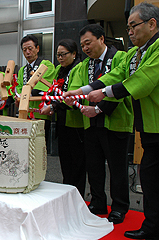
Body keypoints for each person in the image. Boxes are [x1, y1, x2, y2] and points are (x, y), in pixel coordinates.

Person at [67, 3, 159, 239]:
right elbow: (114, 77)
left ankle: (141, 220)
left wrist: (101, 99)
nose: (129, 32)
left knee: (132, 171)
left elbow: (141, 81)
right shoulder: (135, 53)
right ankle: (149, 224)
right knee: (140, 175)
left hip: (131, 122)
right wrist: (79, 91)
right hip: (145, 126)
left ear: (152, 24)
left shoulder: (152, 50)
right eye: (127, 27)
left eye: (133, 26)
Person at [65, 24, 133, 224]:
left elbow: (123, 86)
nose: (85, 48)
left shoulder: (120, 57)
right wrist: (74, 102)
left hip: (116, 121)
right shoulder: (85, 65)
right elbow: (78, 89)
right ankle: (98, 201)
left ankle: (119, 206)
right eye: (83, 45)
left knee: (117, 167)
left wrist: (98, 109)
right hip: (91, 124)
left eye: (89, 43)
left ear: (102, 39)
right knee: (94, 166)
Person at [42, 39, 86, 197]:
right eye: (58, 55)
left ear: (74, 54)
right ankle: (67, 193)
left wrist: (53, 106)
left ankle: (78, 195)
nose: (60, 58)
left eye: (63, 54)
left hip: (76, 122)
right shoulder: (59, 69)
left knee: (77, 162)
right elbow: (53, 91)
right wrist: (49, 104)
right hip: (61, 121)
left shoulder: (79, 67)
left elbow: (73, 94)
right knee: (65, 161)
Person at [16, 34, 56, 144]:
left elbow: (42, 88)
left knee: (39, 146)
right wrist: (18, 96)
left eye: (30, 49)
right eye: (24, 50)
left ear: (37, 49)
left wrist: (24, 95)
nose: (27, 52)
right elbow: (19, 87)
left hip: (41, 112)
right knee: (24, 146)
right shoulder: (22, 70)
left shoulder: (47, 65)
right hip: (24, 113)